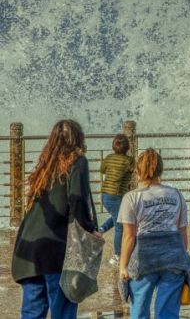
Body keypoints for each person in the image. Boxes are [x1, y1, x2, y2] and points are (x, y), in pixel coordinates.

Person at [11, 119, 101, 319]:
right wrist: (89, 228)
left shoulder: (45, 166)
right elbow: (78, 200)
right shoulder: (78, 161)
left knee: (32, 312)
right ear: (78, 138)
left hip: (28, 251)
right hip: (55, 249)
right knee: (63, 310)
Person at [118, 148, 190, 319]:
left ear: (138, 171)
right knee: (167, 313)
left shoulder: (131, 198)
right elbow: (182, 231)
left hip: (144, 261)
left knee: (139, 310)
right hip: (173, 258)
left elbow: (129, 236)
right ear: (160, 170)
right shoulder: (177, 195)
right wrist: (181, 257)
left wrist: (123, 266)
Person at [98, 133, 134, 265]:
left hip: (105, 195)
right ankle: (117, 255)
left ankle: (101, 230)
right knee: (120, 226)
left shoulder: (108, 158)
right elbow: (134, 171)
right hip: (117, 196)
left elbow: (102, 170)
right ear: (128, 147)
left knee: (117, 217)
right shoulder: (129, 161)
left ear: (113, 146)